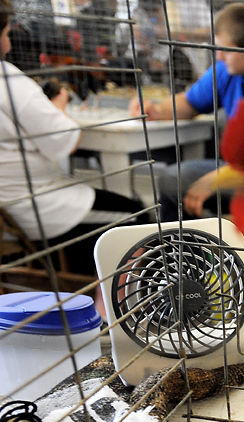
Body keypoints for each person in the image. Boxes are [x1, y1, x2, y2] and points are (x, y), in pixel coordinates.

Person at [0, 0, 144, 276]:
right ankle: (114, 308)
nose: (8, 44)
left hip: (8, 212)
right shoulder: (10, 82)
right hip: (38, 211)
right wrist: (59, 108)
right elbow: (66, 141)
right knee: (136, 216)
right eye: (6, 34)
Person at [129, 3, 244, 222]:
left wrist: (217, 178)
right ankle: (185, 253)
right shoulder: (226, 71)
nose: (219, 56)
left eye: (225, 50)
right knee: (172, 180)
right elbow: (190, 103)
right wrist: (154, 108)